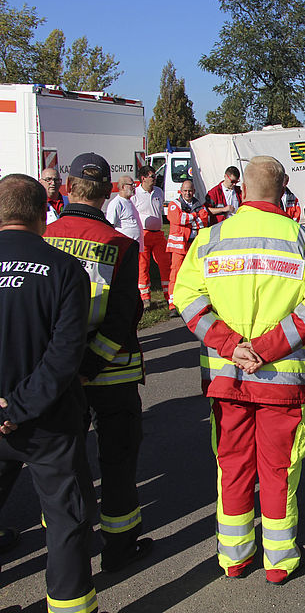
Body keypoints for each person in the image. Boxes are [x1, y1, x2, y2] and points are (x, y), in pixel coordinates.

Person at [174, 155, 305, 585]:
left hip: (227, 377)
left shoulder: (210, 238)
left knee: (233, 465)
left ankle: (234, 557)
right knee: (279, 469)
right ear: (283, 187)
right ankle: (278, 561)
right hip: (282, 381)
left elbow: (186, 298)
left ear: (241, 188)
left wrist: (232, 346)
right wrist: (265, 349)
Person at [45, 152, 153, 573]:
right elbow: (125, 313)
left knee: (63, 463)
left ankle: (66, 543)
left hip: (56, 377)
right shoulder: (120, 246)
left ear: (68, 188)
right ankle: (120, 546)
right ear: (108, 193)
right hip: (113, 373)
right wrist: (92, 364)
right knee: (118, 459)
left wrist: (65, 370)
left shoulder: (45, 237)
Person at [0, 173, 98, 613]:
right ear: (45, 214)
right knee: (64, 519)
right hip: (47, 421)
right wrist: (19, 407)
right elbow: (64, 357)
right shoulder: (64, 269)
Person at [167, 180, 210, 316]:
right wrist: (194, 216)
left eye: (190, 191)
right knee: (175, 274)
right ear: (181, 191)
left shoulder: (199, 205)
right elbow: (177, 219)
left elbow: (203, 221)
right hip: (179, 246)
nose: (187, 193)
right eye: (185, 190)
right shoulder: (175, 204)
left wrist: (189, 218)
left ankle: (192, 303)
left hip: (193, 245)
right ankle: (173, 305)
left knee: (195, 274)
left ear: (194, 191)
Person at [132, 165, 171, 308]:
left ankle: (169, 295)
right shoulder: (135, 194)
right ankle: (145, 298)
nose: (154, 179)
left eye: (154, 176)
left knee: (165, 264)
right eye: (152, 176)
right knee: (143, 266)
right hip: (143, 234)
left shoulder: (159, 192)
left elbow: (160, 210)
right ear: (143, 178)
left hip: (158, 234)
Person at [105, 175, 144, 247]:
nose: (134, 187)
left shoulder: (130, 201)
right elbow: (110, 226)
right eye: (131, 185)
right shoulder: (117, 203)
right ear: (123, 187)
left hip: (134, 246)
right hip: (124, 246)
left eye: (134, 184)